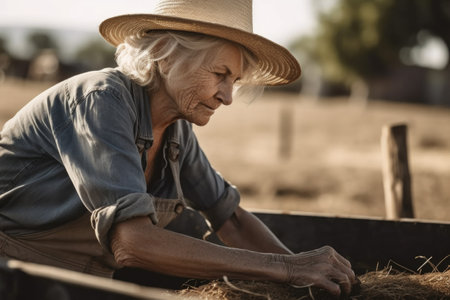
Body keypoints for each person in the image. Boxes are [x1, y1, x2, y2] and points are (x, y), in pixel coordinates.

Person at [0, 0, 358, 297]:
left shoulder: (176, 130)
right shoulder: (101, 100)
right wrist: (286, 268)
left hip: (76, 282)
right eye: (220, 73)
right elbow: (133, 243)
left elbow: (229, 218)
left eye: (234, 81)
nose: (228, 97)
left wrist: (311, 276)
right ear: (166, 56)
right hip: (13, 275)